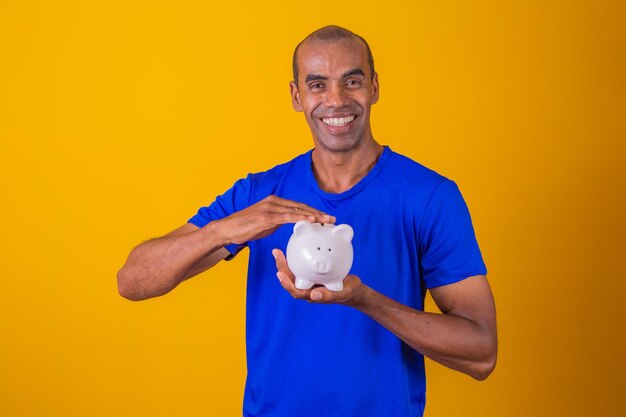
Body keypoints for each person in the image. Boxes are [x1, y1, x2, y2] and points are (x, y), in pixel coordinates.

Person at [118, 25, 497, 417]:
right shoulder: (260, 195)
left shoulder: (429, 197)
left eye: (352, 81)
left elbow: (481, 353)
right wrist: (225, 229)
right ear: (297, 96)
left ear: (375, 88)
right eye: (317, 85)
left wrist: (365, 300)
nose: (336, 100)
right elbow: (132, 281)